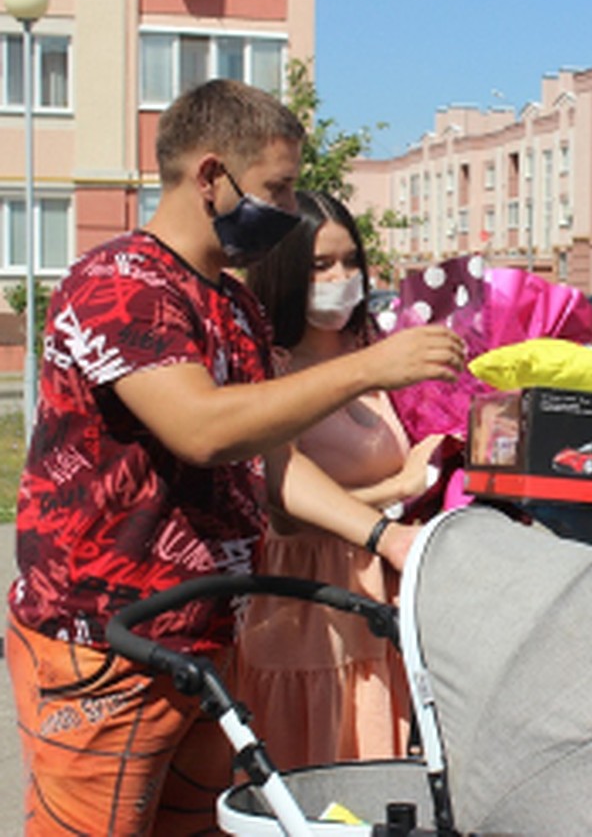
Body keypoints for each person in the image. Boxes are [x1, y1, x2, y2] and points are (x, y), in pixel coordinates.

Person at [5, 79, 465, 835]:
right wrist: (366, 369)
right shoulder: (121, 285)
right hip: (105, 643)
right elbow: (204, 430)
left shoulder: (233, 303)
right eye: (277, 188)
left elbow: (269, 463)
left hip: (206, 643)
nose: (288, 210)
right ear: (212, 176)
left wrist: (387, 536)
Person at [237, 191, 442, 770]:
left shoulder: (377, 354)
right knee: (321, 758)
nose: (341, 277)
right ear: (283, 271)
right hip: (308, 603)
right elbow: (283, 507)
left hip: (382, 588)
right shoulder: (271, 369)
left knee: (382, 749)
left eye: (350, 261)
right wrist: (400, 487)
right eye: (320, 265)